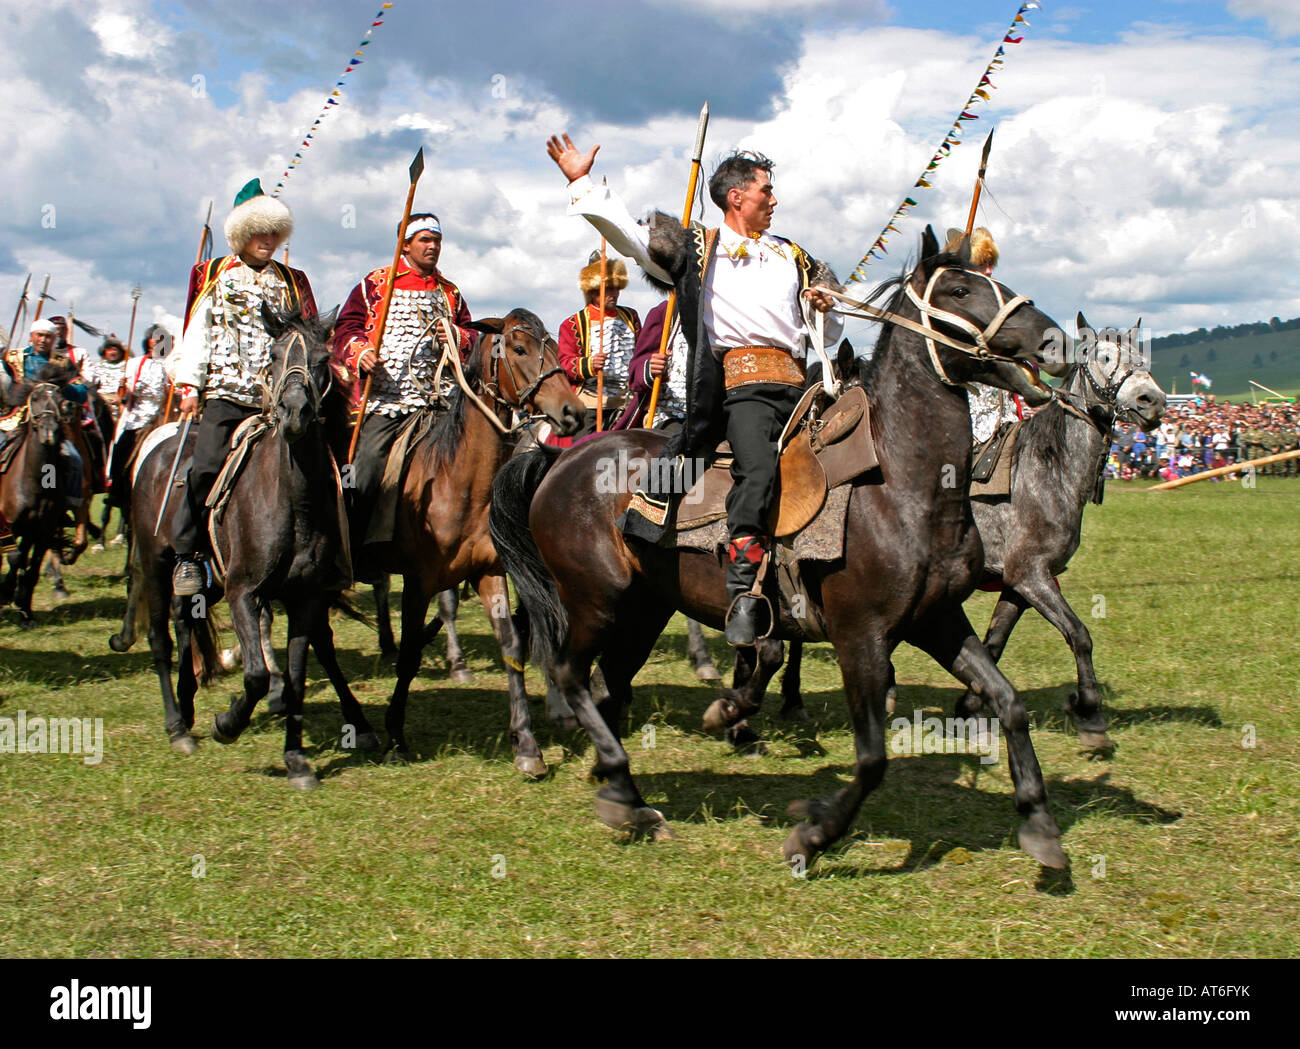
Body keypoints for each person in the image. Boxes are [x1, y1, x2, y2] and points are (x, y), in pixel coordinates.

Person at [546, 133, 841, 646]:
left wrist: (823, 306)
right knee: (758, 468)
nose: (774, 200)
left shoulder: (794, 254)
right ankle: (744, 589)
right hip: (741, 388)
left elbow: (830, 328)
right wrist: (583, 182)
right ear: (737, 196)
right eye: (766, 191)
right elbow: (631, 238)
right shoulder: (698, 248)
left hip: (803, 386)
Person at [167, 178, 315, 595]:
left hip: (281, 401)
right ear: (242, 234)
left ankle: (326, 552)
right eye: (258, 231)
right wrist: (190, 386)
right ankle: (187, 554)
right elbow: (198, 332)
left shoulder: (293, 280)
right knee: (205, 467)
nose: (266, 239)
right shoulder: (213, 274)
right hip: (227, 395)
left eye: (273, 231)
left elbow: (306, 335)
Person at [332, 211, 474, 572]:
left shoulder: (450, 291)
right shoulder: (375, 283)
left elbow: (472, 334)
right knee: (364, 471)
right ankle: (357, 552)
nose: (432, 247)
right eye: (425, 240)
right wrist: (361, 353)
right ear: (405, 244)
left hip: (440, 401)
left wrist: (458, 337)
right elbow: (345, 328)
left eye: (437, 240)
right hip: (387, 401)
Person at [553, 250, 640, 442]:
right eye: (609, 289)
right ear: (593, 290)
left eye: (616, 289)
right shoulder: (572, 324)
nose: (614, 294)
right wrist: (589, 364)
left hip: (629, 400)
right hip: (593, 401)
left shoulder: (631, 317)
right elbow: (566, 364)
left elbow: (640, 351)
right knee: (582, 448)